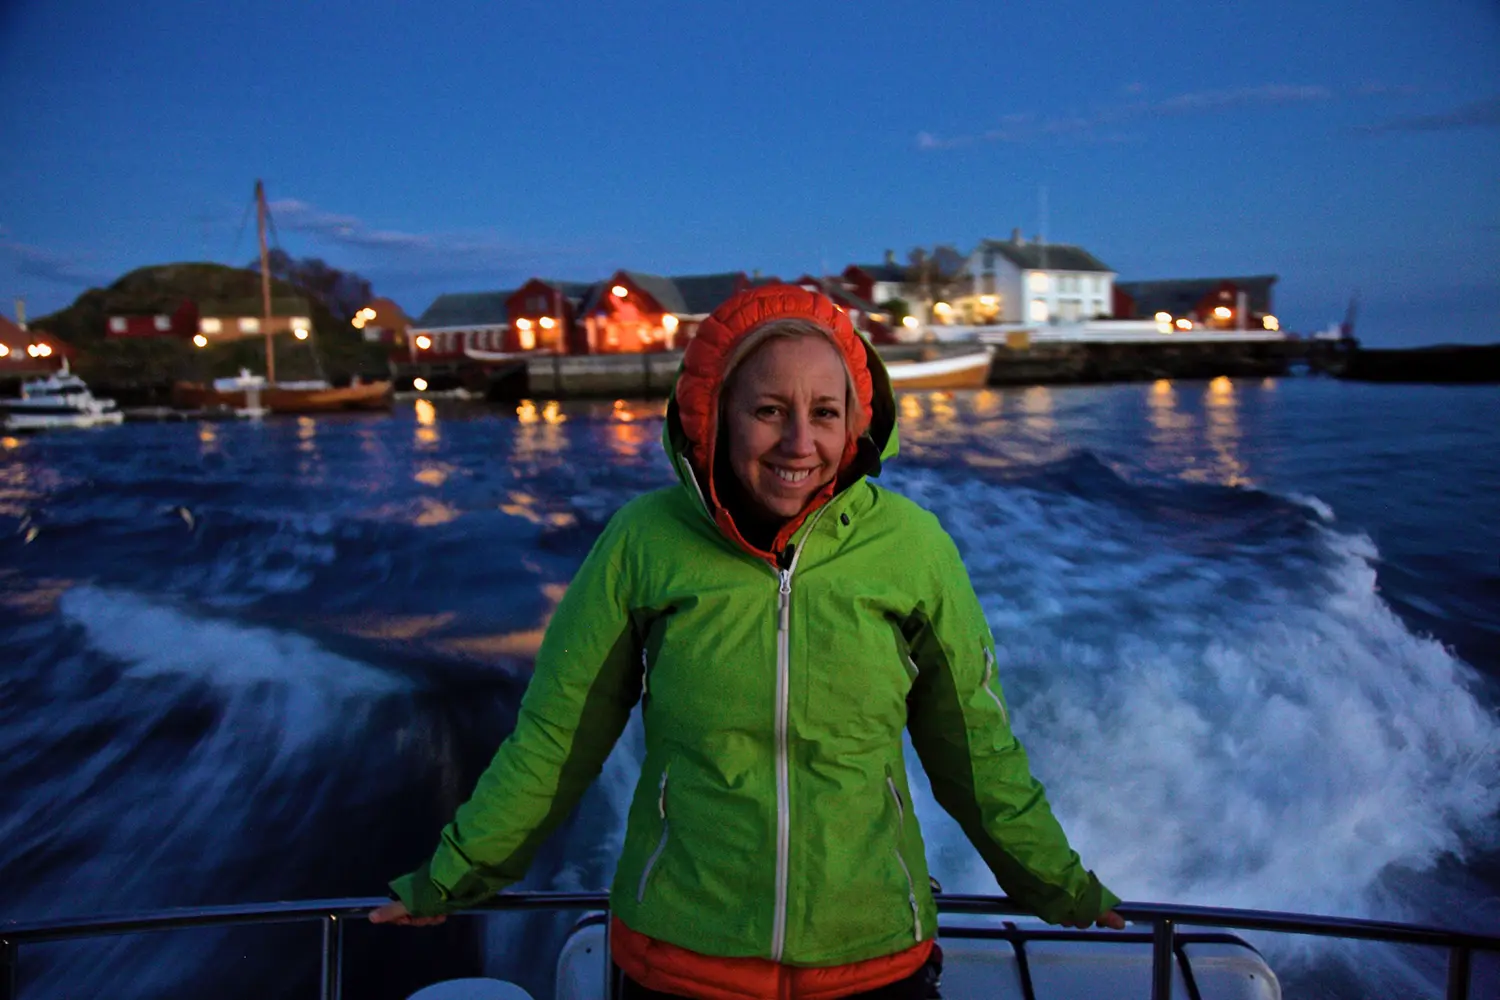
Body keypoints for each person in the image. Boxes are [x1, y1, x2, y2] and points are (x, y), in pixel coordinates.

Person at [372, 284, 1122, 998]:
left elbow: (975, 750)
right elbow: (555, 738)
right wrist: (452, 875)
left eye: (825, 412)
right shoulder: (643, 542)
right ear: (715, 414)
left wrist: (1059, 886)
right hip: (681, 964)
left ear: (856, 423)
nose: (800, 441)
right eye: (769, 410)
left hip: (871, 962)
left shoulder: (912, 549)